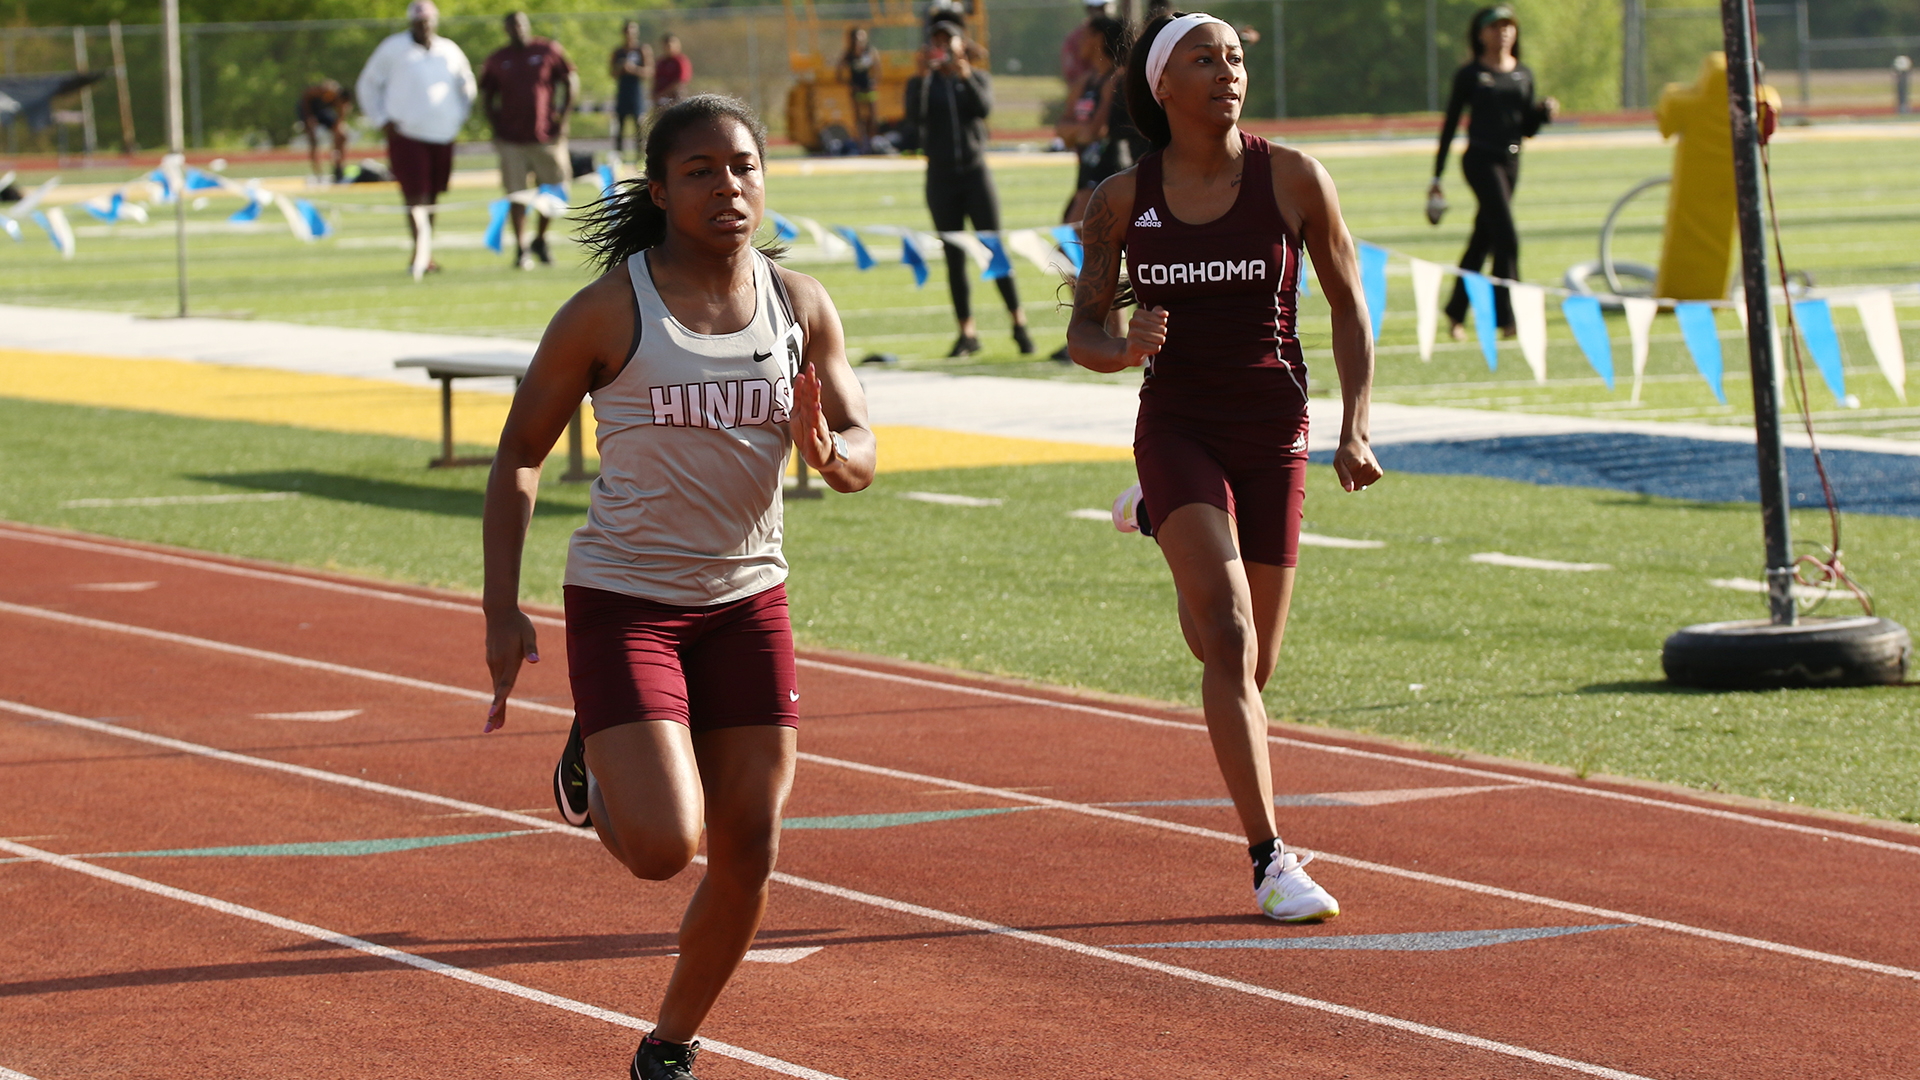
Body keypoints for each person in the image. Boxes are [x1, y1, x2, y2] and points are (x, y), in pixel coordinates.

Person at [482, 94, 875, 1080]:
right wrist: (501, 605)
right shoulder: (613, 309)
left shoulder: (802, 303)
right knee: (664, 847)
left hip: (750, 603)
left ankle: (670, 1049)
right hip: (629, 601)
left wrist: (830, 453)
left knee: (751, 845)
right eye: (699, 171)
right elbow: (521, 453)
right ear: (660, 191)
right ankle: (600, 757)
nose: (727, 186)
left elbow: (865, 447)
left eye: (742, 166)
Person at [1067, 13, 1383, 923]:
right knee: (1231, 639)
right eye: (1204, 60)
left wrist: (1354, 430)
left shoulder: (1293, 178)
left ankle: (1169, 520)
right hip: (1177, 425)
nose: (1226, 72)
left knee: (1249, 662)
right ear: (1163, 86)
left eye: (1235, 58)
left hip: (1272, 431)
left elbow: (1350, 308)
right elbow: (1084, 333)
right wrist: (1123, 347)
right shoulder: (1121, 200)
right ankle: (1269, 857)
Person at [905, 20, 1033, 358]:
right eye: (936, 41)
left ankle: (1018, 323)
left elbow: (984, 109)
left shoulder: (976, 77)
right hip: (941, 178)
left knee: (994, 248)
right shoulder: (924, 82)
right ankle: (967, 333)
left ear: (962, 44)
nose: (943, 47)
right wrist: (921, 77)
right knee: (954, 256)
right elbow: (913, 120)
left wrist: (964, 75)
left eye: (948, 40)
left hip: (976, 175)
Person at [1430, 4, 1557, 340]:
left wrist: (1543, 114)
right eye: (1495, 26)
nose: (1502, 32)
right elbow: (1451, 125)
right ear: (1481, 33)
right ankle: (1506, 319)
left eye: (1508, 26)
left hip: (1512, 161)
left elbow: (1526, 128)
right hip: (1480, 161)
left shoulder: (1523, 73)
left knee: (1482, 241)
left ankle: (1455, 311)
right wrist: (1436, 177)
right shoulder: (1470, 74)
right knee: (1507, 239)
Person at [355, 0, 475, 273]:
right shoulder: (393, 48)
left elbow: (466, 84)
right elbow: (367, 85)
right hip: (407, 133)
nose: (424, 27)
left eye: (429, 22)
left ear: (435, 22)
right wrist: (381, 119)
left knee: (432, 196)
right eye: (419, 23)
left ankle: (425, 252)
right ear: (411, 23)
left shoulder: (449, 49)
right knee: (415, 195)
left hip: (442, 133)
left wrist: (459, 116)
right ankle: (420, 253)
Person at [481, 11, 579, 270]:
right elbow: (486, 95)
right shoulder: (499, 59)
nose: (517, 29)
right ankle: (521, 247)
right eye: (512, 25)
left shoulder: (547, 50)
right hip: (512, 139)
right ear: (506, 29)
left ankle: (540, 238)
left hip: (545, 135)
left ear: (527, 26)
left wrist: (564, 118)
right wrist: (496, 126)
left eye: (521, 24)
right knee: (516, 194)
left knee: (555, 189)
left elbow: (570, 80)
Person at [609, 21, 653, 157]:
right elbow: (611, 73)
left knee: (639, 125)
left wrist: (634, 69)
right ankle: (618, 156)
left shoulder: (642, 50)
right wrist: (620, 69)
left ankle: (640, 156)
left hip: (636, 92)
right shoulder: (618, 52)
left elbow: (649, 71)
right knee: (620, 126)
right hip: (623, 92)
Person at [296, 79, 353, 183]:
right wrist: (308, 119)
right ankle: (318, 173)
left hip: (322, 111)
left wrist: (335, 144)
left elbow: (339, 124)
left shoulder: (342, 105)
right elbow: (306, 96)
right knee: (313, 138)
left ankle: (338, 168)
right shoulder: (327, 90)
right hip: (308, 109)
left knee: (342, 136)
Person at [838, 26, 880, 152]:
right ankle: (862, 143)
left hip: (868, 87)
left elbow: (877, 67)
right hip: (856, 89)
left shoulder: (870, 51)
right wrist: (848, 83)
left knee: (872, 117)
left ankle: (872, 142)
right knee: (859, 118)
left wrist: (875, 81)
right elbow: (839, 71)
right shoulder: (849, 54)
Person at [653, 34, 693, 113]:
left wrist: (663, 93)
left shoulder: (680, 61)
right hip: (660, 100)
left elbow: (680, 82)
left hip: (675, 99)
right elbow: (655, 79)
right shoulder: (661, 62)